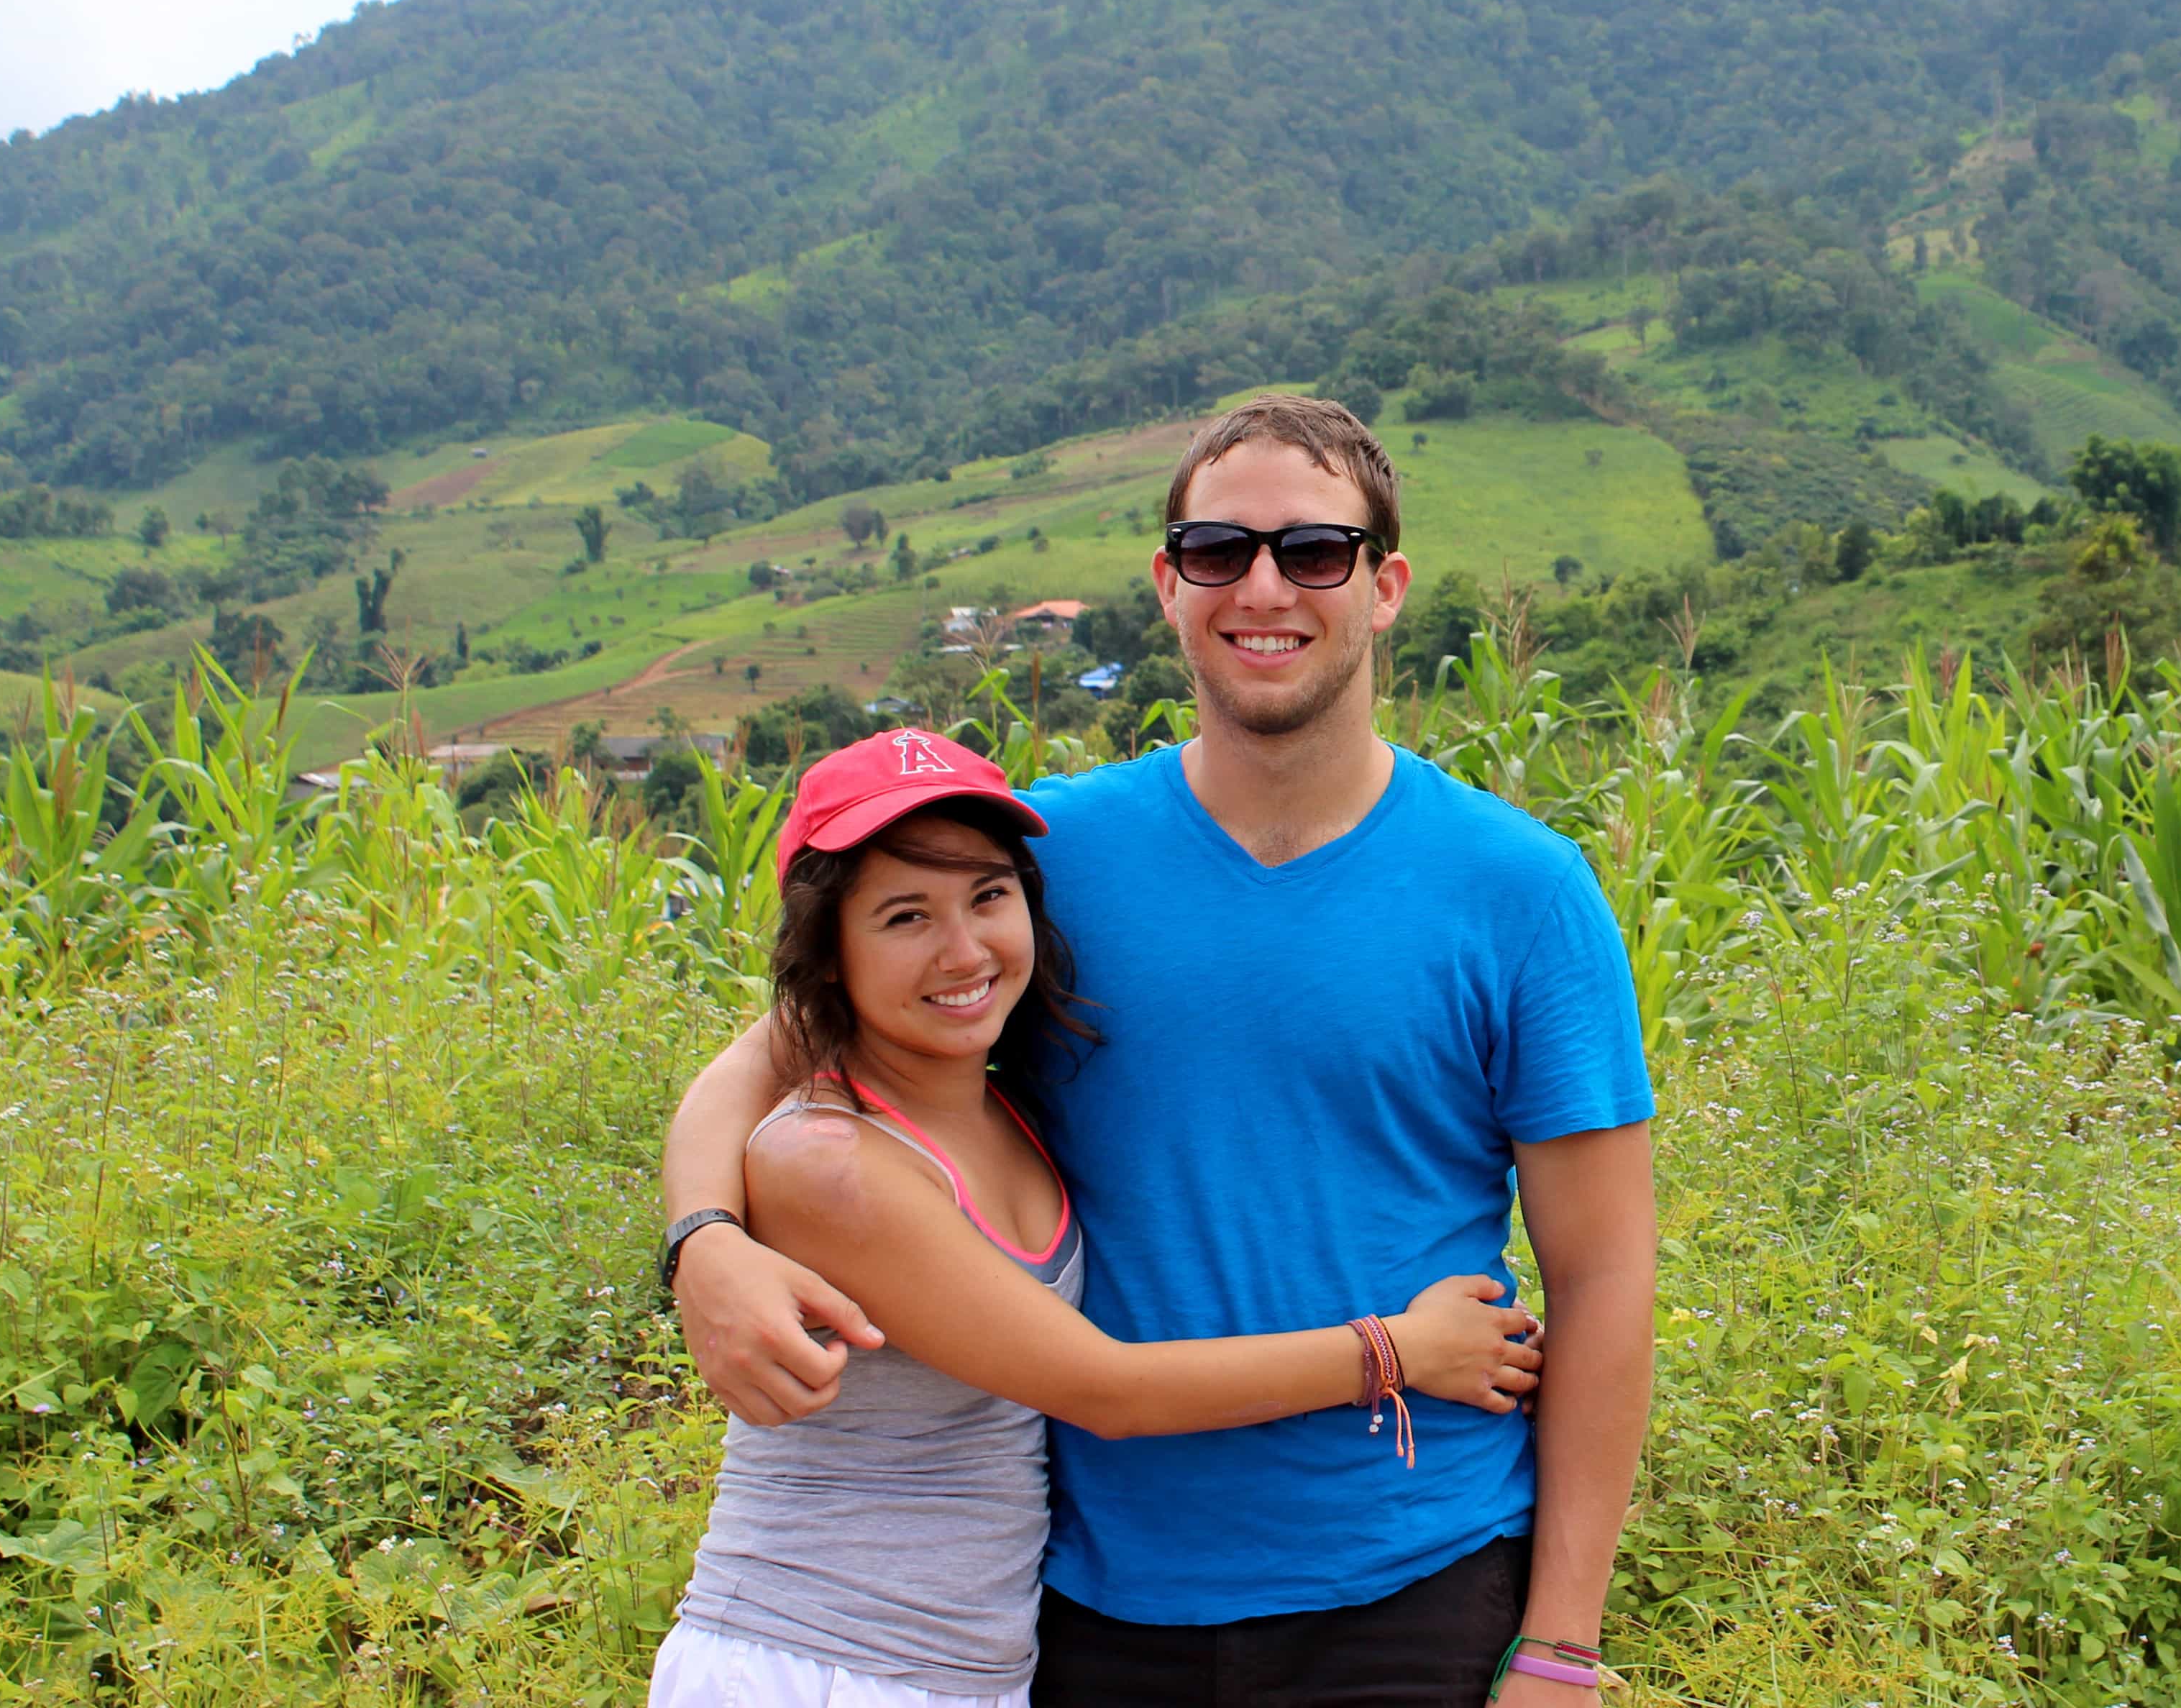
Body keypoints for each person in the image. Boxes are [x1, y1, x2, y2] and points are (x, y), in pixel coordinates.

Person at [667, 395, 1658, 1708]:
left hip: (1415, 1578)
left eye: (1314, 552)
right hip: (1089, 1599)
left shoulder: (1522, 893)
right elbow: (767, 1058)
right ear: (1168, 584)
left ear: (1386, 587)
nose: (1264, 587)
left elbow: (1604, 1278)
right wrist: (703, 1245)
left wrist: (1563, 1645)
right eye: (1218, 550)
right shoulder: (1035, 867)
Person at [652, 726, 1547, 1708]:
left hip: (967, 1667)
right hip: (817, 1661)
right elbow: (1104, 1391)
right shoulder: (830, 1160)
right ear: (827, 957)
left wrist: (703, 1237)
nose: (962, 950)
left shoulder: (997, 1102)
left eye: (988, 897)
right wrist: (1400, 1352)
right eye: (904, 916)